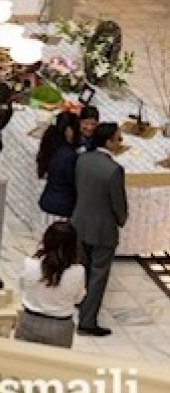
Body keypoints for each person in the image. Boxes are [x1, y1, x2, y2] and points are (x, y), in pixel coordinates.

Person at [72, 122, 128, 337]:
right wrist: (121, 220)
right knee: (98, 275)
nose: (120, 142)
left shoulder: (83, 159)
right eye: (118, 138)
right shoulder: (114, 170)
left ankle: (79, 302)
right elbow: (118, 203)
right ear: (108, 141)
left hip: (80, 222)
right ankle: (88, 321)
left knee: (81, 268)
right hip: (103, 229)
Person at [15, 221, 87, 349]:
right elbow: (78, 298)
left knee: (23, 366)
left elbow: (22, 287)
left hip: (30, 321)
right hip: (60, 327)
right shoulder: (78, 271)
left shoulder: (30, 264)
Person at [38, 110, 81, 218]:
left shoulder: (51, 147)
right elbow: (73, 180)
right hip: (61, 208)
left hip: (48, 202)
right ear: (68, 130)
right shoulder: (68, 156)